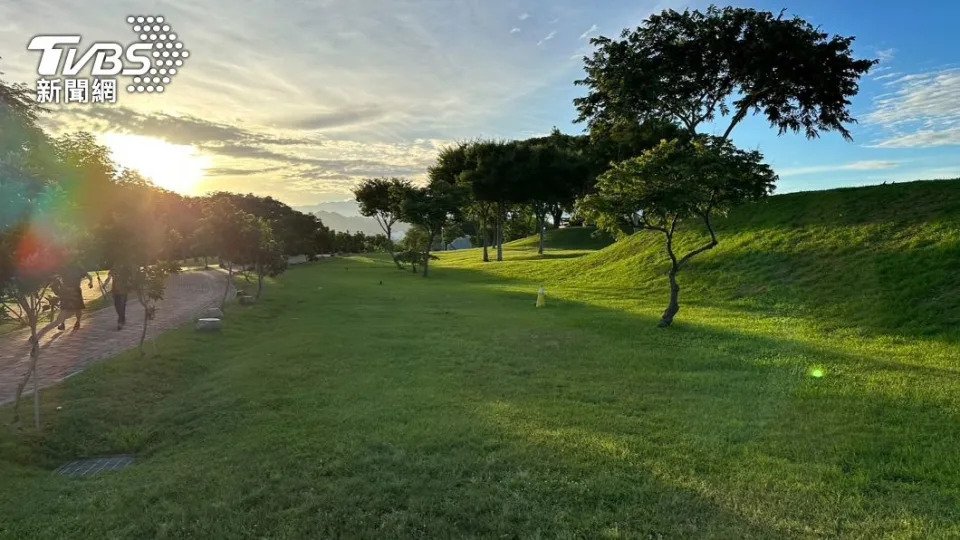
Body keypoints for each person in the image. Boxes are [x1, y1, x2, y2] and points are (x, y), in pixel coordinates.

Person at [32, 262, 93, 343]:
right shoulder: (63, 267)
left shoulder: (78, 267)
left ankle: (77, 321)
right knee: (64, 309)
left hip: (75, 290)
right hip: (66, 291)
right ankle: (62, 323)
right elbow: (55, 276)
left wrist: (91, 282)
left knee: (78, 308)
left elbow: (88, 275)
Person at [104, 265, 132, 330]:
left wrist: (130, 286)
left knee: (122, 306)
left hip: (123, 291)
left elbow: (129, 279)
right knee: (117, 306)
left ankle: (120, 322)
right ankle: (122, 318)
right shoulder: (113, 269)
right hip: (115, 291)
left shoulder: (125, 269)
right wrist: (105, 284)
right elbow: (108, 278)